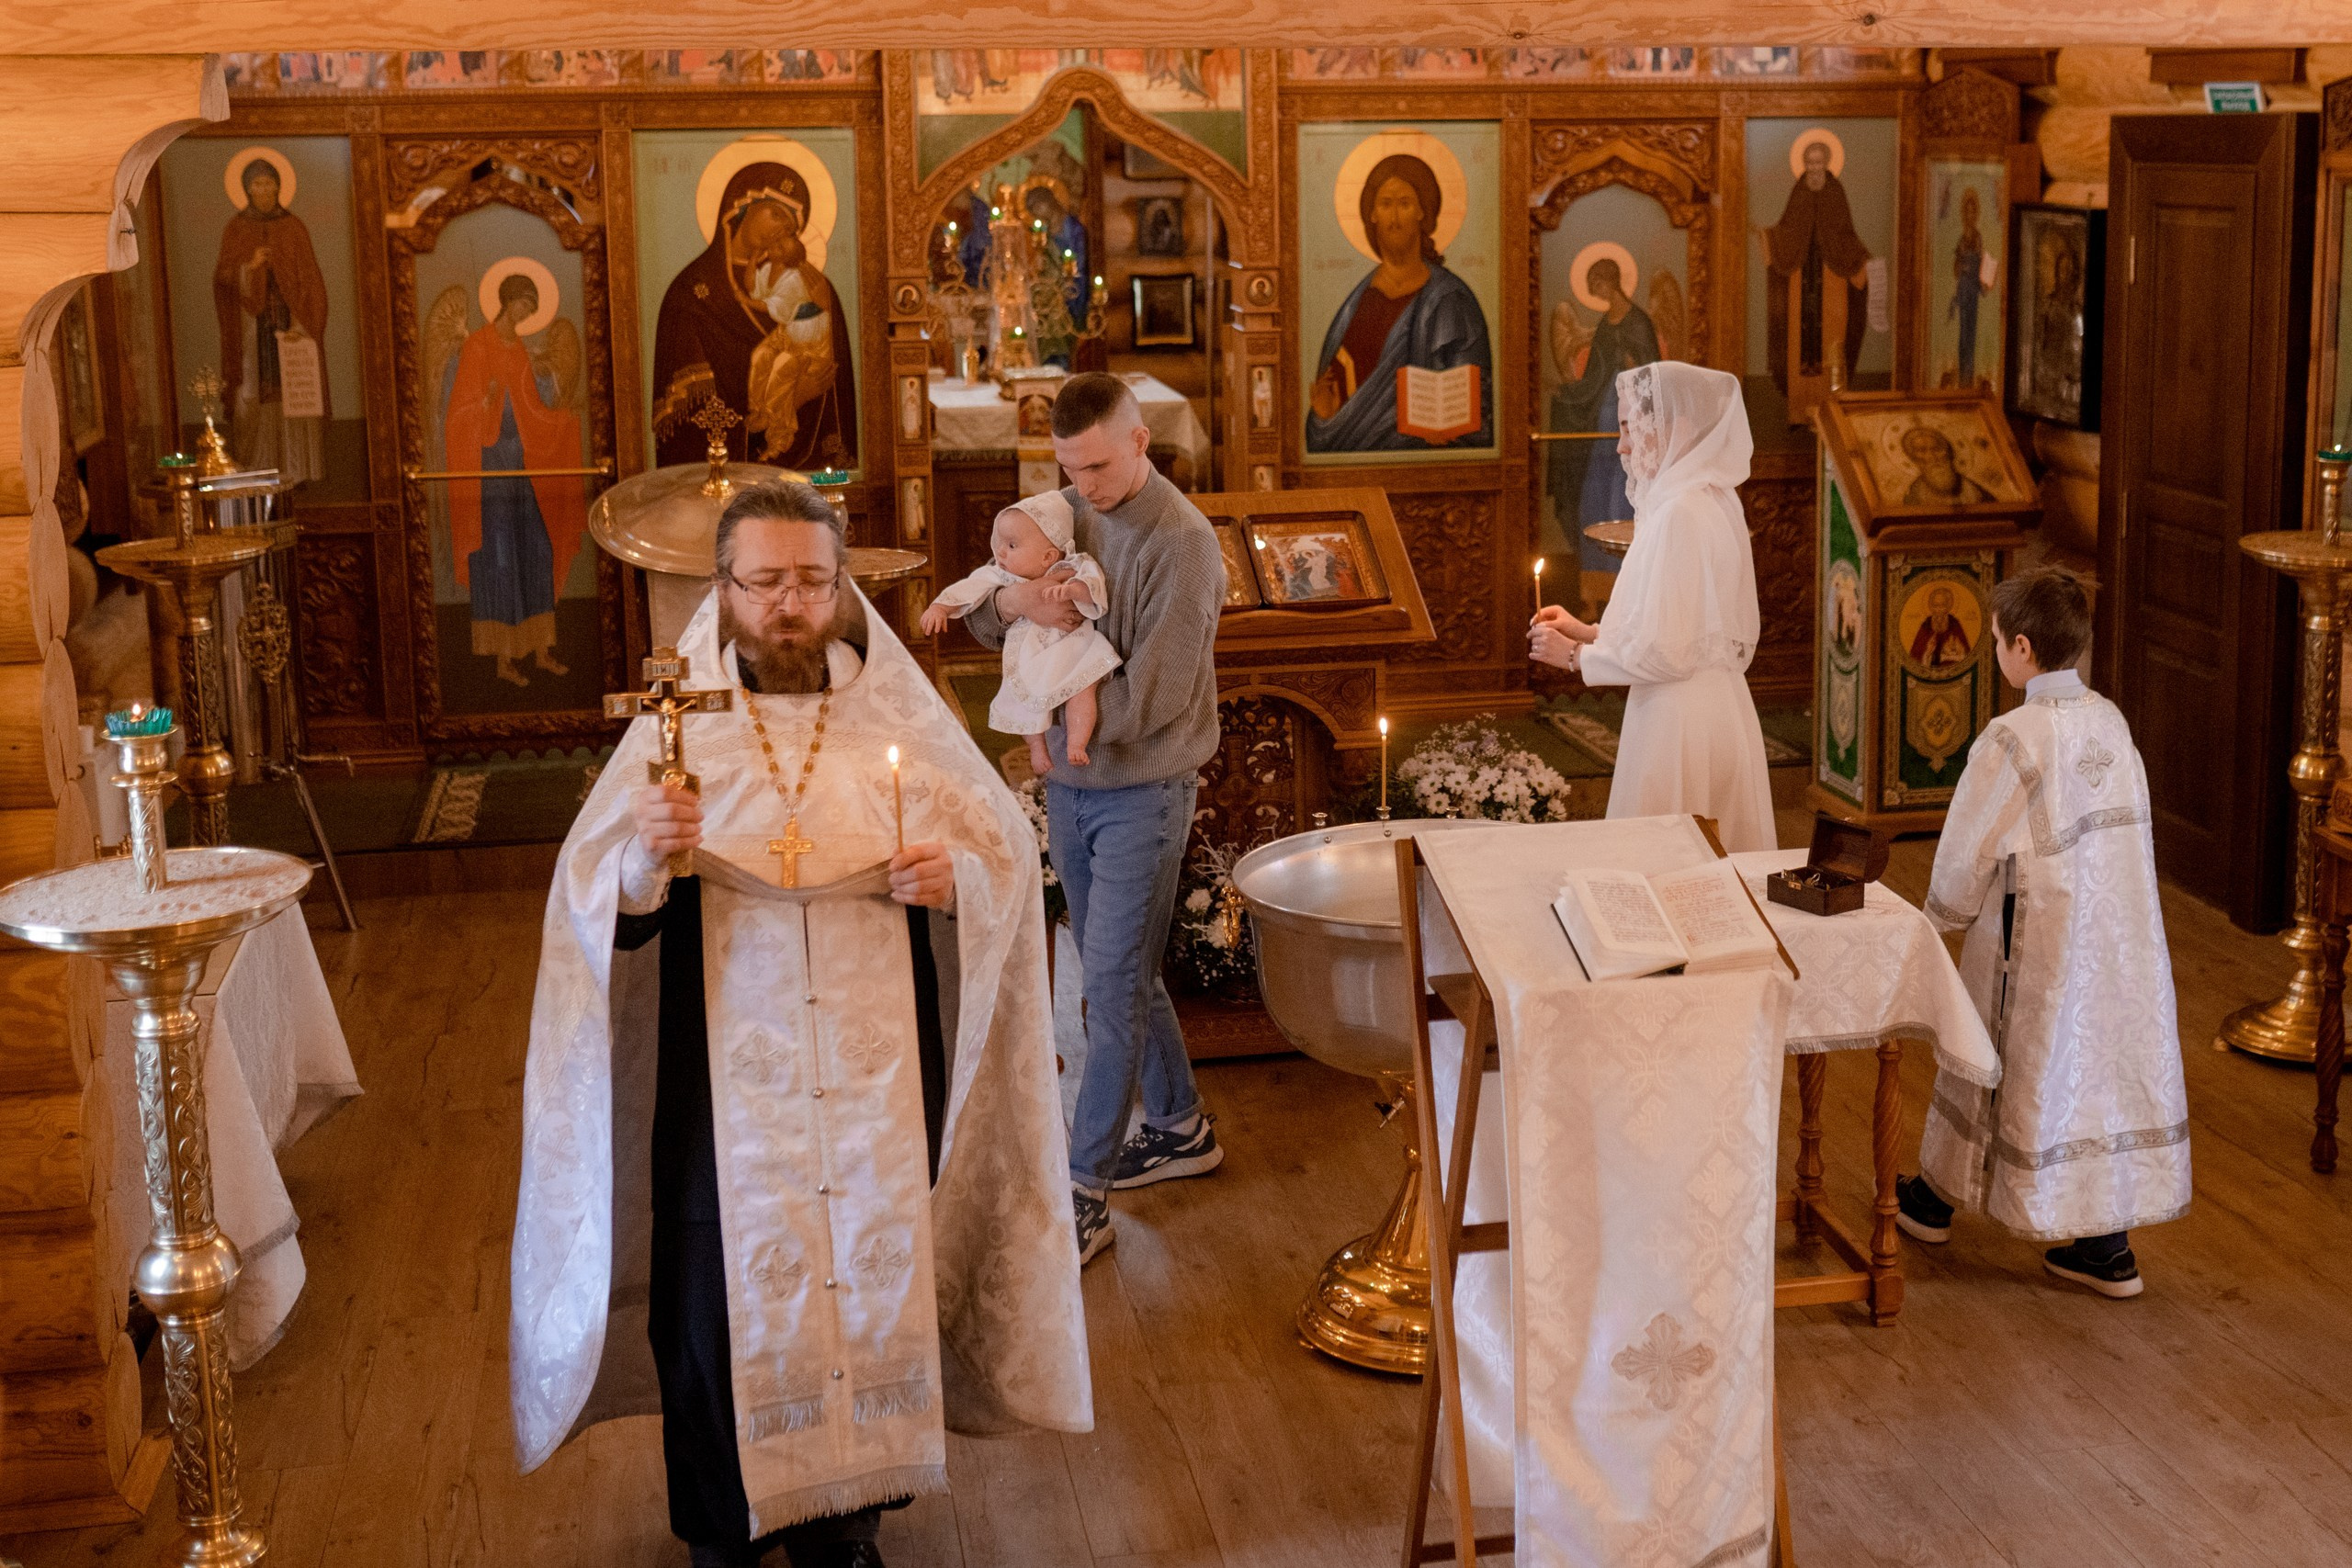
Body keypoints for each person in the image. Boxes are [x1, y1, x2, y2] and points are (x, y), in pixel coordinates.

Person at [510, 481, 1089, 1568]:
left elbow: (1004, 853)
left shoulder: (898, 713)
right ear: (722, 590)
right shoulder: (679, 723)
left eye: (813, 582)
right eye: (766, 582)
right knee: (712, 1290)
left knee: (865, 1274)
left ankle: (845, 1521)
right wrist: (644, 853)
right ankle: (722, 1529)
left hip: (876, 1072)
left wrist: (955, 876)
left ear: (842, 588)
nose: (790, 605)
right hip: (724, 1078)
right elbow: (593, 907)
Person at [958, 373, 1226, 1263]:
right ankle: (1181, 1126)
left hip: (1142, 790)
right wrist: (1015, 604)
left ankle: (1082, 1193)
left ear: (1141, 440)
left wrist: (1039, 694)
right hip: (1071, 788)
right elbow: (996, 608)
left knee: (1107, 991)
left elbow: (1154, 695)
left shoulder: (1182, 544)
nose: (1087, 489)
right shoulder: (1067, 507)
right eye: (1070, 469)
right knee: (1120, 966)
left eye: (1100, 468)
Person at [1894, 568, 2190, 1298]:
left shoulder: (2012, 737)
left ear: (2021, 648)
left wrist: (1938, 921)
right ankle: (2106, 1242)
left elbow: (1969, 850)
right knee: (2096, 1072)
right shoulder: (2112, 723)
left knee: (1998, 1053)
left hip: (2031, 940)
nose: (1995, 649)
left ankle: (1931, 1201)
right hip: (2115, 937)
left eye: (1996, 640)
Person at [1526, 361, 1776, 853]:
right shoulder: (1712, 500)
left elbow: (1666, 653)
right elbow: (1680, 625)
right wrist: (1587, 631)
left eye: (1628, 428)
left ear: (1674, 426)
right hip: (1719, 708)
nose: (1620, 445)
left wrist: (1575, 658)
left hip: (1676, 719)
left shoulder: (1679, 514)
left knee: (1667, 872)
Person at [651, 162, 855, 472]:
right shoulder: (690, 293)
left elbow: (830, 389)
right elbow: (686, 424)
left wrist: (802, 398)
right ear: (742, 205)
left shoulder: (809, 286)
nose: (781, 229)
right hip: (716, 485)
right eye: (776, 214)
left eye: (789, 228)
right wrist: (792, 400)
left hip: (796, 478)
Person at [443, 273, 586, 689]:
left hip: (521, 465)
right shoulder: (477, 345)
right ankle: (504, 659)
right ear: (506, 301)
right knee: (500, 557)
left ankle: (541, 650)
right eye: (522, 303)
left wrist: (562, 420)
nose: (525, 312)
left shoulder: (519, 348)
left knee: (537, 548)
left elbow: (530, 408)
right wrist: (482, 404)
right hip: (489, 468)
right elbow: (457, 417)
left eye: (531, 306)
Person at [919, 492, 1120, 775]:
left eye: (1011, 545)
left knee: (1084, 687)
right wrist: (940, 607)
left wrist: (1074, 589)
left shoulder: (1071, 565)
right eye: (999, 543)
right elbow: (970, 587)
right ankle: (1037, 748)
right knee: (1022, 695)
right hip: (1031, 651)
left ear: (1048, 556)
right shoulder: (1003, 576)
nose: (1000, 552)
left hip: (1074, 648)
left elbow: (1093, 583)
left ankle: (1077, 741)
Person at [1306, 152, 1494, 453]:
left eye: (1404, 204)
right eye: (1385, 204)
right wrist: (1323, 419)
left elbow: (1480, 404)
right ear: (1372, 213)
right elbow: (1329, 407)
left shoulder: (1451, 300)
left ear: (1422, 212)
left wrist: (1453, 429)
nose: (1394, 219)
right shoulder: (1357, 302)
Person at [212, 154, 329, 485]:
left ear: (279, 186)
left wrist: (302, 325)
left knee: (293, 394)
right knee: (253, 394)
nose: (263, 189)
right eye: (256, 183)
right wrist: (249, 267)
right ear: (246, 189)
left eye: (269, 182)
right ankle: (255, 470)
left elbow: (311, 281)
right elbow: (222, 278)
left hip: (293, 327)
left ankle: (299, 471)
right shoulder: (236, 228)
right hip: (252, 328)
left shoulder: (294, 228)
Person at [1547, 256, 1663, 570]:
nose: (1595, 291)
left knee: (1621, 490)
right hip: (1604, 412)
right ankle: (1597, 568)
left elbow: (1653, 374)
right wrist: (1568, 392)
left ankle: (1622, 566)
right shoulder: (1605, 324)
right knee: (1598, 490)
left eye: (1597, 284)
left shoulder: (1638, 322)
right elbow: (1594, 377)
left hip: (1630, 417)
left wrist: (1632, 366)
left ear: (1609, 282)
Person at [1758, 138, 1871, 396]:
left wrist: (1858, 255)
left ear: (1827, 163)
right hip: (1800, 276)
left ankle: (1831, 398)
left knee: (1831, 338)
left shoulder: (1835, 192)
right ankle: (1799, 405)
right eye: (1809, 163)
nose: (1814, 168)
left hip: (1832, 278)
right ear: (1804, 164)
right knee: (1798, 339)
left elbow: (1844, 232)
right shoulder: (1799, 191)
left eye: (1819, 163)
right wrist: (1769, 237)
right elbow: (1788, 229)